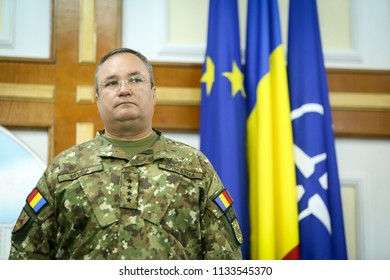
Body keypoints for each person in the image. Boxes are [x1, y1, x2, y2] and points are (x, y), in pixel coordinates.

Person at [9, 47, 243, 260]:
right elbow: (26, 259)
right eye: (111, 83)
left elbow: (225, 261)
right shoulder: (64, 169)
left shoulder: (195, 166)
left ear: (153, 93)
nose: (124, 90)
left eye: (135, 80)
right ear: (98, 99)